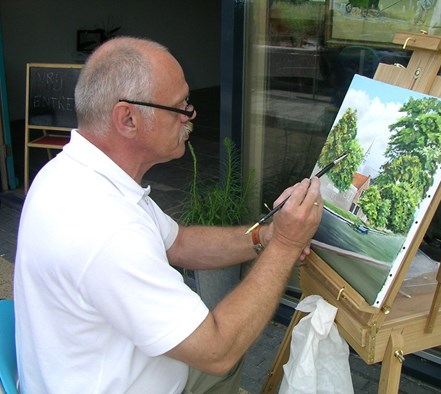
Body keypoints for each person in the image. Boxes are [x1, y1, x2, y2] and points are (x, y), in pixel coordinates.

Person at [14, 36, 323, 394]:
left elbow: (179, 242)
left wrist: (264, 237)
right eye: (179, 107)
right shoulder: (107, 228)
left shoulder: (74, 172)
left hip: (103, 369)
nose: (190, 116)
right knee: (226, 354)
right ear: (128, 118)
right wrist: (285, 245)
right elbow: (217, 349)